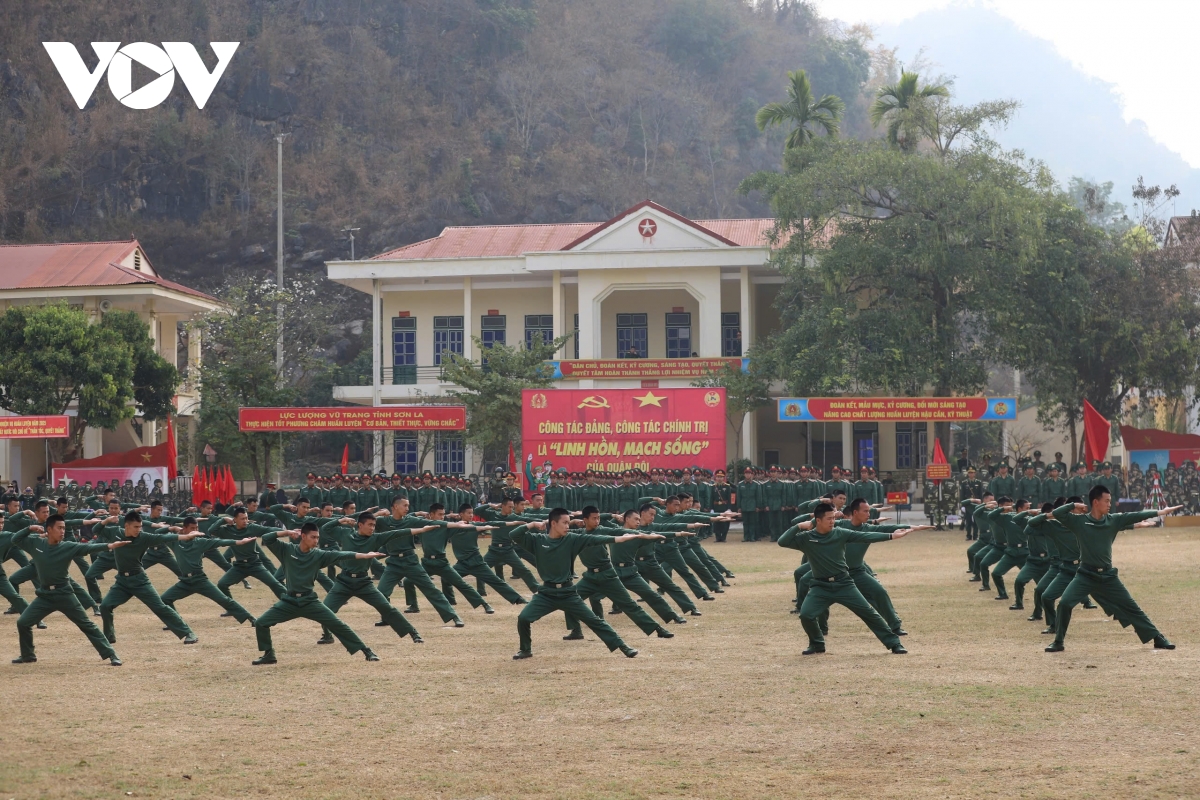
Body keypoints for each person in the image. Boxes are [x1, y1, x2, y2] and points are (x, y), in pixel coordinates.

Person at [509, 508, 659, 660]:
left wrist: (619, 539)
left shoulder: (571, 539)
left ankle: (623, 646)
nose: (568, 526)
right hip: (546, 593)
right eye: (565, 522)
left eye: (569, 522)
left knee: (595, 622)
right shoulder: (537, 540)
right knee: (524, 618)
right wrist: (532, 524)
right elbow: (513, 534)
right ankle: (525, 650)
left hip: (568, 593)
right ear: (553, 523)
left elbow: (595, 539)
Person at [1044, 487, 1180, 652]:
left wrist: (1160, 512)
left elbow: (1136, 515)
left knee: (1131, 607)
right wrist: (1073, 504)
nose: (1110, 504)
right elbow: (1058, 514)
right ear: (1096, 502)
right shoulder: (1079, 522)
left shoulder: (1113, 520)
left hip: (1108, 576)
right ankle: (1058, 641)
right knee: (1064, 603)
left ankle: (1157, 637)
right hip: (1085, 575)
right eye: (1106, 501)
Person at [778, 502, 917, 655]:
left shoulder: (840, 533)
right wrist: (798, 527)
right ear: (818, 520)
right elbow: (782, 541)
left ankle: (894, 643)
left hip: (844, 584)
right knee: (806, 615)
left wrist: (891, 536)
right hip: (820, 586)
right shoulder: (807, 538)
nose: (833, 521)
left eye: (833, 518)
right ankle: (817, 644)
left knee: (869, 613)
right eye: (829, 518)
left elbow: (864, 536)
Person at [251, 522, 384, 664]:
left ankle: (366, 651)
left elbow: (340, 554)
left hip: (309, 601)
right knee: (261, 623)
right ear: (303, 536)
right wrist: (287, 533)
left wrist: (364, 555)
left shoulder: (319, 555)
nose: (316, 541)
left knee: (338, 625)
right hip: (288, 601)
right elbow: (266, 537)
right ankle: (269, 655)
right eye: (313, 537)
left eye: (318, 538)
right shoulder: (286, 550)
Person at [10, 514, 126, 666]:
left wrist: (109, 546)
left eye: (64, 528)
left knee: (87, 625)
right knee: (23, 622)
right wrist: (29, 528)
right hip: (44, 595)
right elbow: (15, 540)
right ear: (49, 529)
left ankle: (111, 654)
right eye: (59, 528)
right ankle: (28, 655)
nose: (63, 531)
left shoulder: (67, 546)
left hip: (64, 594)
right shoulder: (36, 543)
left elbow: (88, 547)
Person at [561, 506, 680, 642]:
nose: (597, 521)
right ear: (585, 519)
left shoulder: (603, 530)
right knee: (569, 600)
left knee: (629, 605)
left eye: (599, 518)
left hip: (607, 575)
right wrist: (571, 522)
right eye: (594, 518)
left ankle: (657, 629)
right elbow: (560, 531)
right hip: (590, 577)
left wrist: (648, 536)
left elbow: (622, 531)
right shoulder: (578, 534)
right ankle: (576, 631)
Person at [98, 510, 201, 647]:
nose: (138, 530)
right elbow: (96, 529)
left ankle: (188, 633)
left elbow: (165, 538)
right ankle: (109, 637)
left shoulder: (144, 537)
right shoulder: (115, 532)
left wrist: (186, 536)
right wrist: (106, 521)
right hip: (122, 582)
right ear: (126, 526)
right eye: (135, 527)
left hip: (139, 580)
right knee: (105, 606)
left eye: (140, 526)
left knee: (160, 607)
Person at [158, 516, 257, 627]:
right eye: (192, 528)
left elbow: (219, 542)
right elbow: (158, 533)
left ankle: (251, 618)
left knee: (224, 600)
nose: (195, 531)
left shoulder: (200, 542)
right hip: (185, 582)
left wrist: (239, 542)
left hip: (200, 580)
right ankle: (176, 622)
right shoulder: (175, 541)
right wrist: (172, 528)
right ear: (184, 529)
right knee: (164, 599)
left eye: (197, 528)